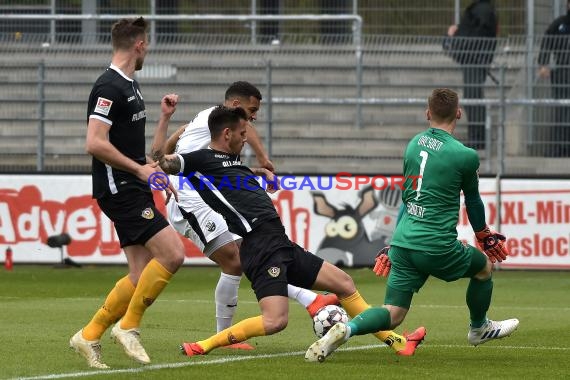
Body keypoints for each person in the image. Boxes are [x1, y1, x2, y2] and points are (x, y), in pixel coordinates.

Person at [156, 106, 426, 357]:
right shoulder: (200, 159)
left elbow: (232, 175)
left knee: (344, 283)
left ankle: (398, 343)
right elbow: (160, 160)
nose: (246, 139)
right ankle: (203, 345)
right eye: (242, 134)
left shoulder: (229, 162)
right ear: (226, 134)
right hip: (260, 247)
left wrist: (259, 171)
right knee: (275, 321)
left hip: (279, 242)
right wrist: (165, 119)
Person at [305, 88, 519, 362]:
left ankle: (347, 329)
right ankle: (479, 327)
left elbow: (407, 198)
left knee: (393, 313)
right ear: (459, 113)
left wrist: (392, 243)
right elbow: (473, 201)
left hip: (404, 242)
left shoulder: (414, 144)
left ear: (427, 113)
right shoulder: (465, 155)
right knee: (483, 269)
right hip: (436, 245)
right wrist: (484, 236)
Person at [152, 81, 340, 350]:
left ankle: (307, 299)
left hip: (205, 194)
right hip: (190, 200)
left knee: (249, 256)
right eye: (251, 110)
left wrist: (253, 171)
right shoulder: (214, 120)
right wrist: (264, 159)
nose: (252, 118)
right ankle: (300, 302)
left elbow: (179, 142)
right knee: (236, 260)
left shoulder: (208, 120)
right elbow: (167, 155)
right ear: (236, 106)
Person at [69, 17, 186, 369]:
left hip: (132, 183)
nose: (147, 48)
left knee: (139, 275)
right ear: (139, 45)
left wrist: (164, 120)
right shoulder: (109, 87)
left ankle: (88, 336)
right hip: (118, 186)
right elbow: (94, 143)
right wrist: (138, 171)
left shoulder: (130, 86)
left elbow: (146, 156)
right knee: (173, 254)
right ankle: (129, 327)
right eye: (146, 42)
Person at [446, 0, 497, 150]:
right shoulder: (482, 9)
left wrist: (456, 37)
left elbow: (476, 33)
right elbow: (473, 31)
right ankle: (477, 138)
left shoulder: (482, 10)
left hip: (475, 58)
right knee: (472, 98)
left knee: (473, 98)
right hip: (474, 57)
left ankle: (478, 138)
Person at [538, 0, 570, 157]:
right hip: (563, 74)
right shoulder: (560, 24)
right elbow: (547, 41)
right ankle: (560, 148)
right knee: (561, 110)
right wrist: (543, 63)